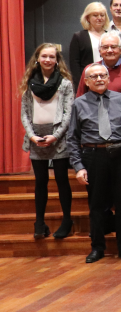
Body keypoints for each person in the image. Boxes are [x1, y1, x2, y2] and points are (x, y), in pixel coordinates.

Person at [67, 63, 121, 263]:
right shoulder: (79, 104)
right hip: (94, 156)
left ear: (108, 79)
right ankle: (97, 247)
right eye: (94, 76)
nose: (99, 79)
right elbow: (72, 138)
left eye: (102, 76)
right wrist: (78, 166)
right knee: (97, 205)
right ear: (86, 82)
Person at [20, 44, 75, 240]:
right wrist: (32, 136)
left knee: (61, 180)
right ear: (37, 58)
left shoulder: (65, 83)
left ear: (57, 60)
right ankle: (39, 223)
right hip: (36, 136)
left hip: (58, 137)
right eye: (44, 56)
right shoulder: (29, 82)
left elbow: (68, 113)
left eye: (52, 57)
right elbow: (25, 113)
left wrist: (56, 135)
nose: (48, 60)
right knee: (40, 182)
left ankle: (67, 220)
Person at [75, 32, 121, 103]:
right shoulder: (90, 70)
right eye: (105, 47)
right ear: (99, 51)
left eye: (113, 47)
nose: (109, 50)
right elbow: (80, 98)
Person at [68, 2, 110, 88]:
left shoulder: (110, 36)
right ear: (88, 18)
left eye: (102, 15)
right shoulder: (79, 37)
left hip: (108, 81)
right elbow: (74, 64)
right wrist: (80, 84)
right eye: (95, 15)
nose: (99, 18)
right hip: (88, 83)